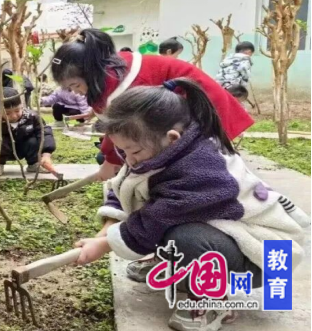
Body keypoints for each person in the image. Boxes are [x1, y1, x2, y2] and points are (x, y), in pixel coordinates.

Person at [74, 79, 307, 331]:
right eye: (123, 152)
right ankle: (172, 263)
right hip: (232, 239)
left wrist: (105, 244)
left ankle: (212, 301)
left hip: (265, 256)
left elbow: (156, 218)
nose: (129, 160)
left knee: (184, 237)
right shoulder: (159, 150)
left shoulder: (200, 169)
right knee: (170, 223)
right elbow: (125, 185)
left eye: (134, 152)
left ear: (172, 138)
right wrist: (105, 233)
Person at [50, 28, 253, 181]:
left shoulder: (123, 85)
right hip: (177, 107)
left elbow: (121, 128)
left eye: (75, 85)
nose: (75, 92)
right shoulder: (111, 69)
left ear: (91, 73)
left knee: (195, 167)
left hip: (202, 106)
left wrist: (110, 160)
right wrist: (110, 158)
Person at [0, 87, 56, 176]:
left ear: (22, 105)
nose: (14, 116)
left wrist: (46, 154)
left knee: (33, 140)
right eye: (7, 113)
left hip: (24, 148)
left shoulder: (32, 117)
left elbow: (45, 132)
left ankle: (34, 164)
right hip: (2, 151)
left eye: (17, 110)